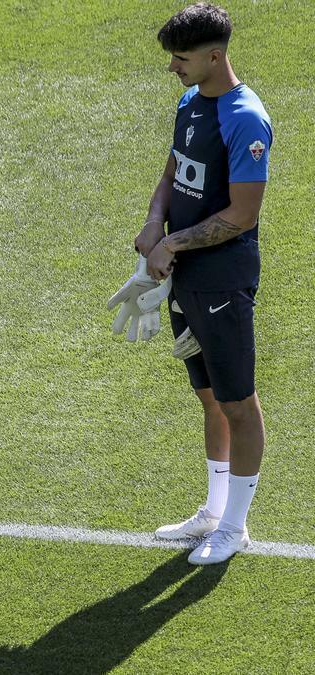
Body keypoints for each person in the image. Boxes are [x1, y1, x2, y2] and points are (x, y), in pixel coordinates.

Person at [132, 3, 272, 565]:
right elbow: (172, 174)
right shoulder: (191, 102)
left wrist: (172, 244)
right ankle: (212, 512)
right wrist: (152, 222)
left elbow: (243, 214)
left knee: (238, 400)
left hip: (221, 277)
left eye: (182, 58)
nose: (174, 68)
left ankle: (235, 527)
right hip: (185, 272)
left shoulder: (246, 119)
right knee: (208, 394)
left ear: (215, 56)